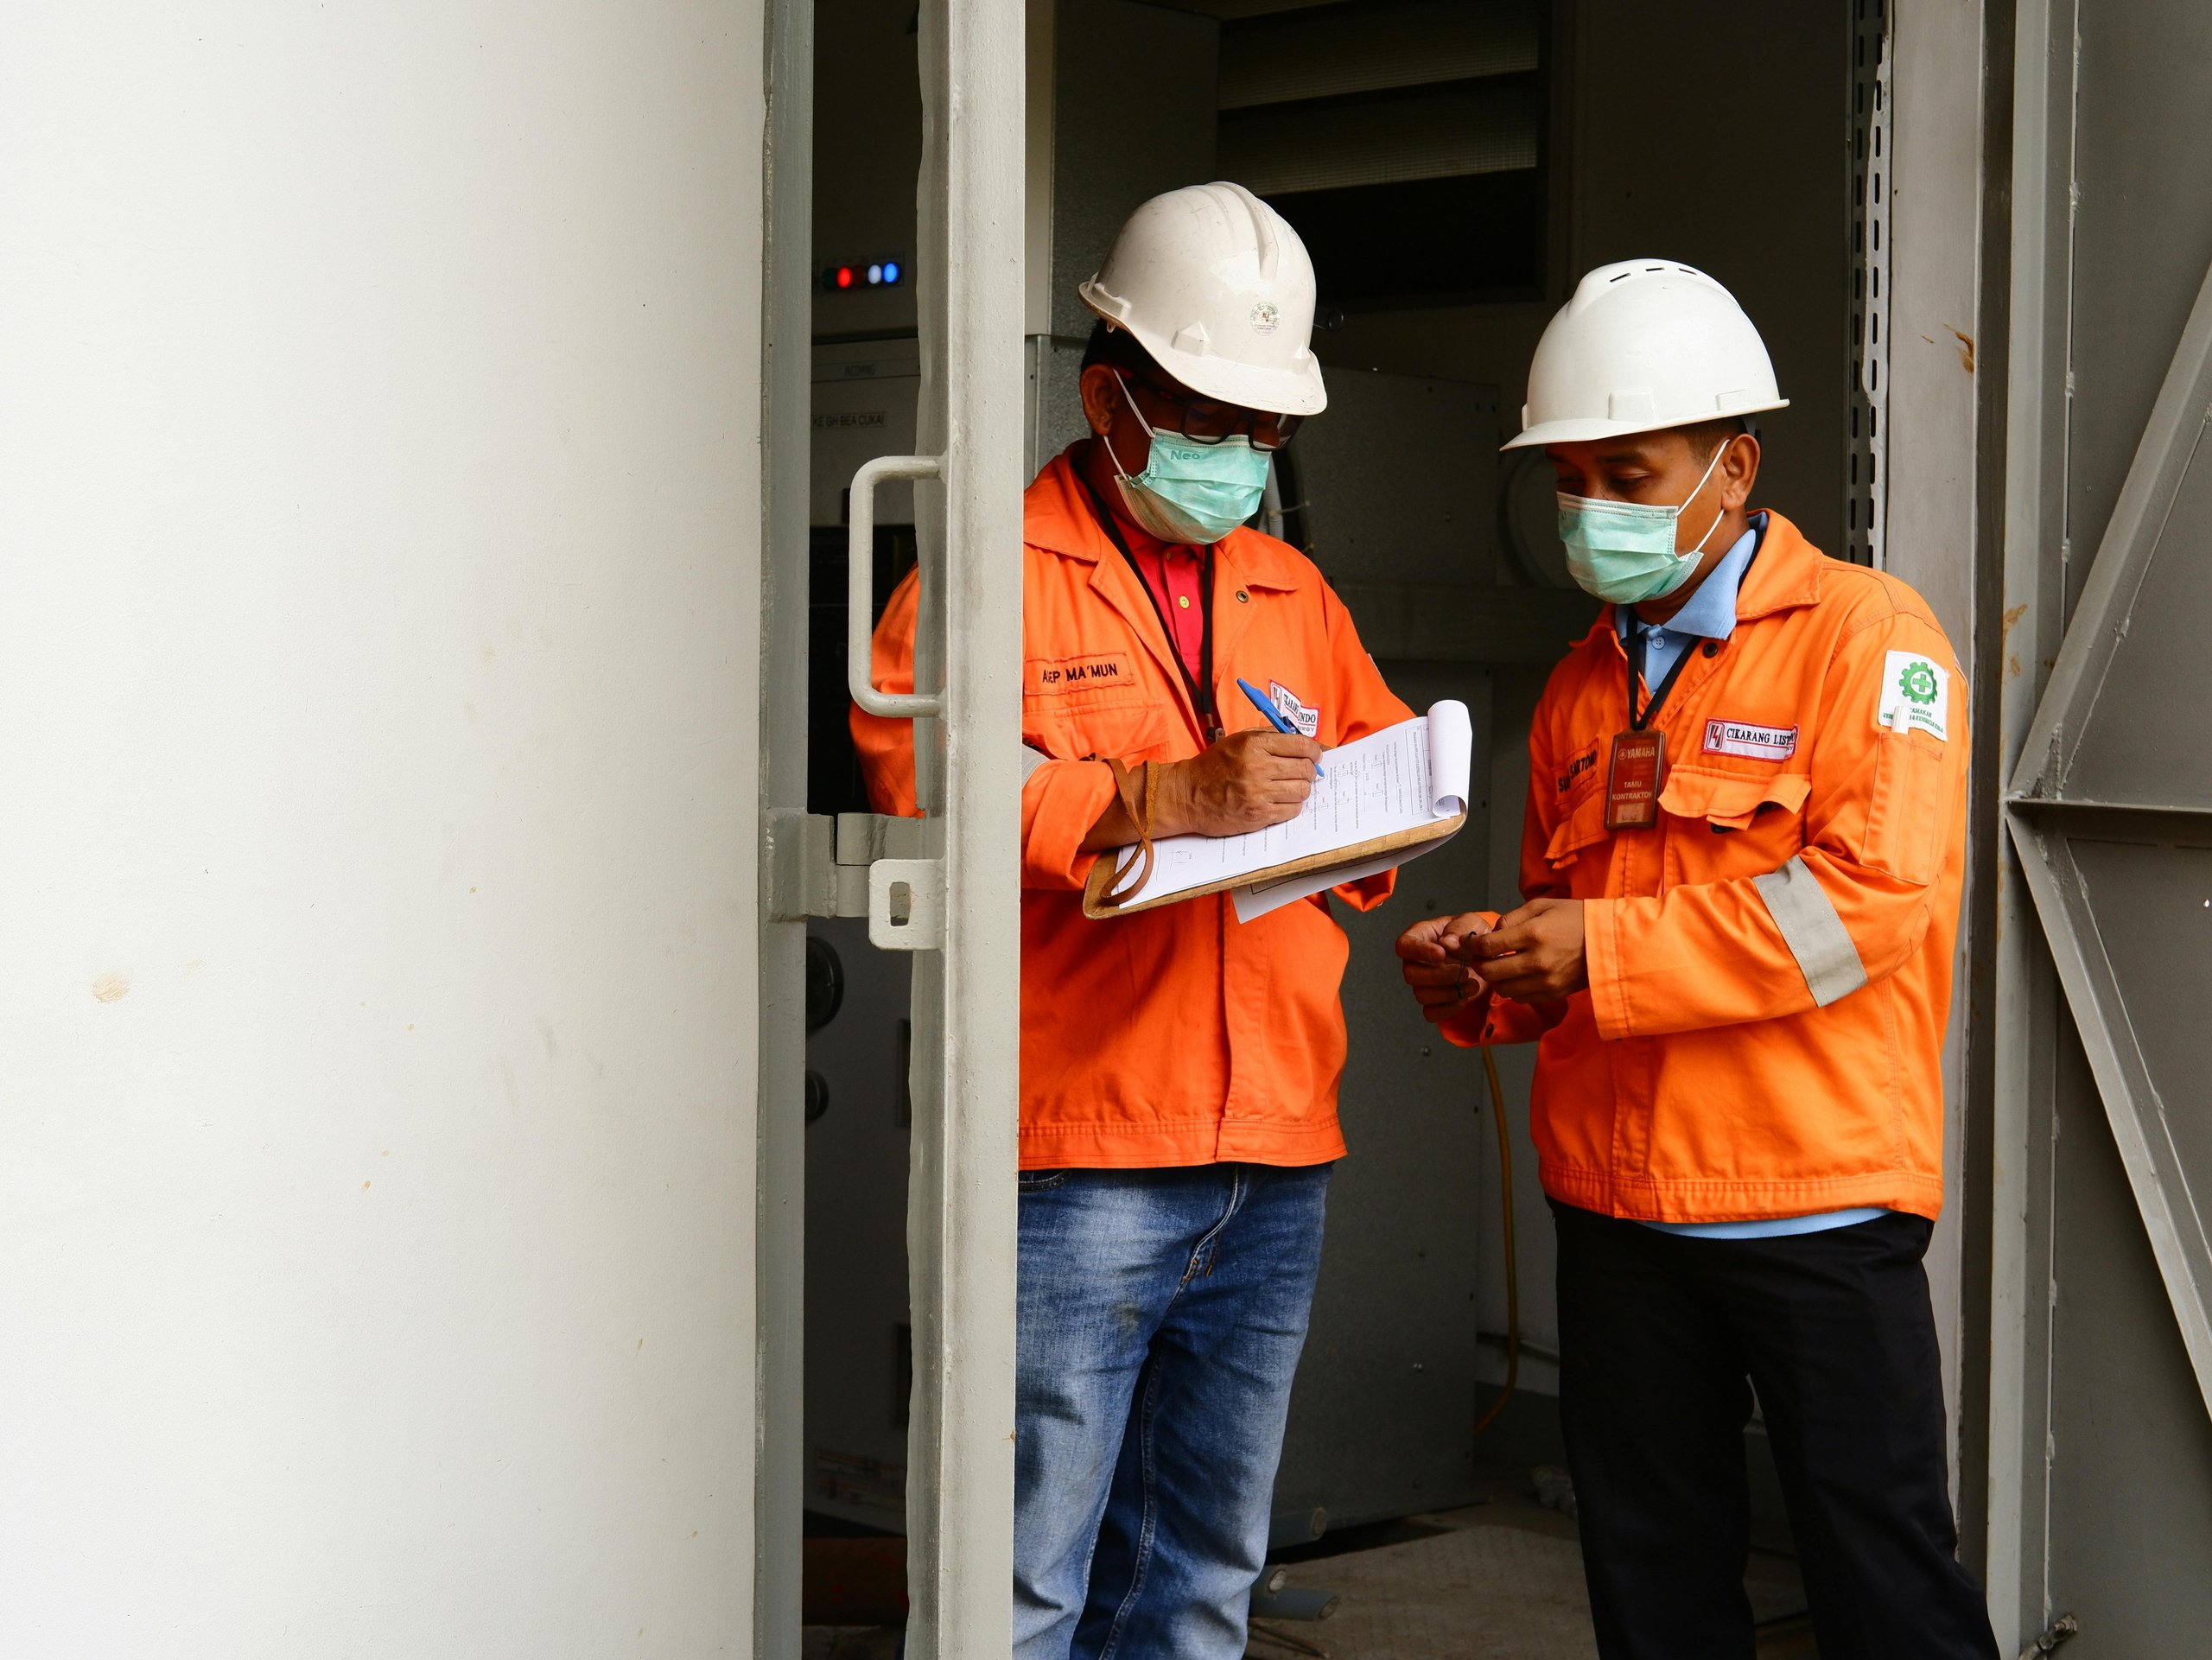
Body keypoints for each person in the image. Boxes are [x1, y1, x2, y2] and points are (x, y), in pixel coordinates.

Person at [1395, 261, 1999, 1660]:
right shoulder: (1579, 684)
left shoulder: (1870, 638)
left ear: (1735, 466)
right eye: (1568, 478)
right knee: (1653, 1596)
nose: (1591, 508)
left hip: (1815, 1206)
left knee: (1885, 1587)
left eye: (1628, 469)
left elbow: (1872, 905)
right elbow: (1564, 920)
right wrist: (1485, 973)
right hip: (1616, 1215)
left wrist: (1596, 947)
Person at [851, 182, 1412, 1660]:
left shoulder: (1293, 585)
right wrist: (1154, 795)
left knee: (1202, 1570)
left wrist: (1380, 823)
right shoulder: (986, 578)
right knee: (1026, 1579)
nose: (1238, 455)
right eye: (1207, 415)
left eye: (1265, 429)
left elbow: (1373, 771)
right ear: (1112, 392)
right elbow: (929, 777)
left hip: (1277, 1147)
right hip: (1083, 1153)